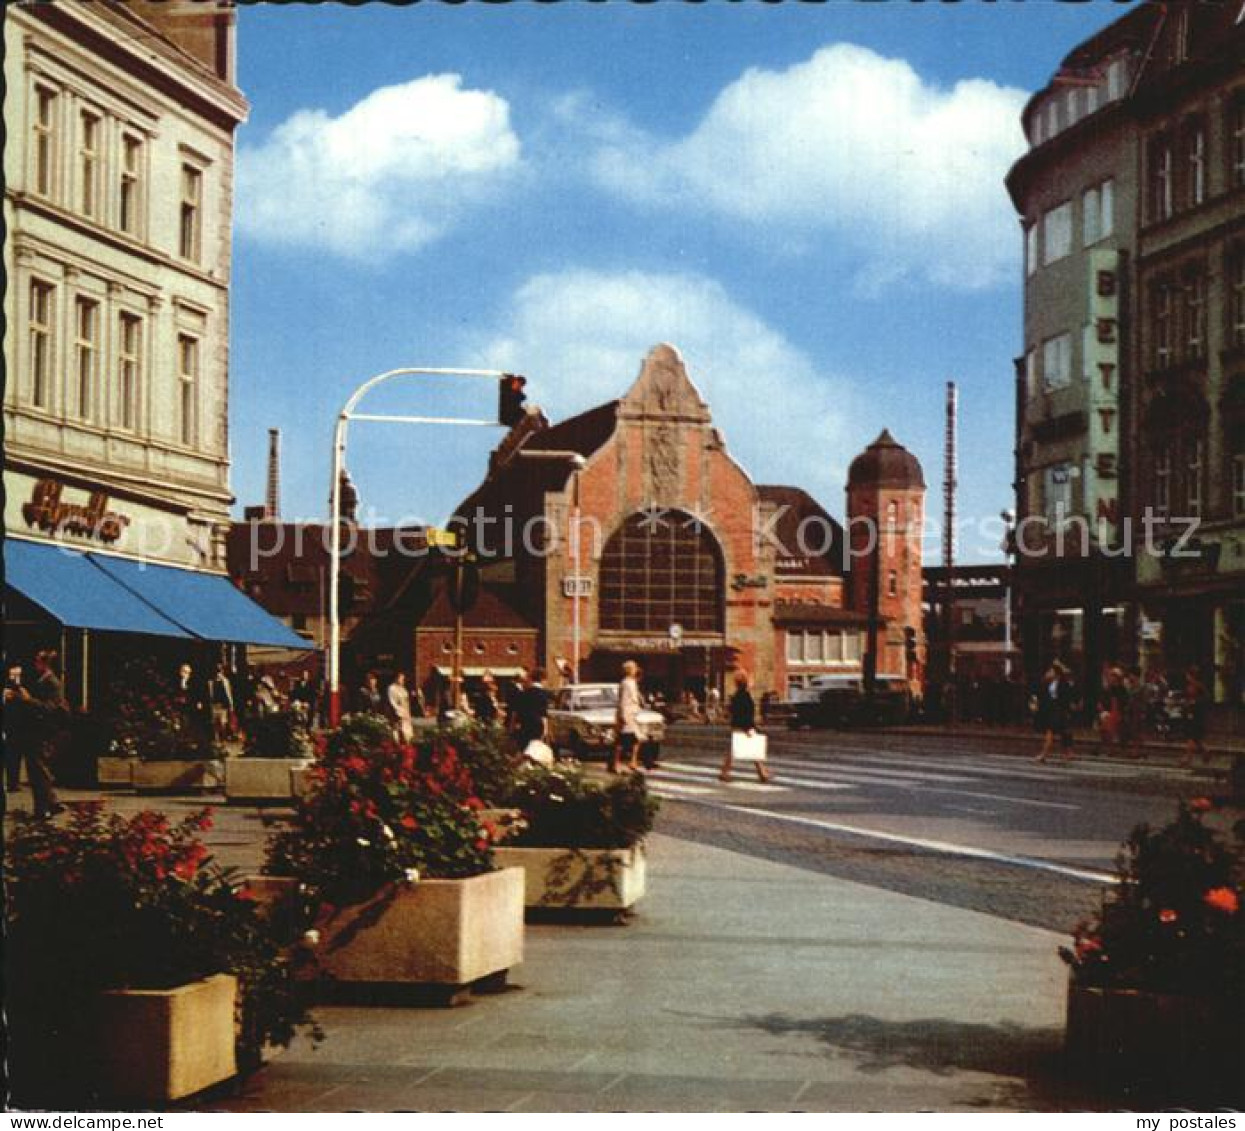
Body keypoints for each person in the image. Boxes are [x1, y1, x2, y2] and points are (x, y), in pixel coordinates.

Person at [27, 650, 66, 819]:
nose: (35, 664)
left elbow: (49, 708)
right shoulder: (42, 681)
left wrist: (28, 700)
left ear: (44, 664)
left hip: (46, 731)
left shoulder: (52, 683)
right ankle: (49, 803)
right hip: (38, 730)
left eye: (37, 661)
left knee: (39, 768)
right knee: (37, 767)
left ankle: (45, 807)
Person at [720, 670, 771, 784]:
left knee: (738, 749)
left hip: (738, 725)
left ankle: (761, 772)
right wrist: (749, 728)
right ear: (746, 682)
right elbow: (746, 713)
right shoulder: (745, 696)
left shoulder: (737, 695)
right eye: (750, 680)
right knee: (752, 749)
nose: (752, 682)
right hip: (744, 726)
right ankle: (762, 773)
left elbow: (733, 711)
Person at [1036, 661, 1076, 764]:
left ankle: (1044, 755)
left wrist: (1067, 709)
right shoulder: (1050, 683)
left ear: (1056, 672)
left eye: (1051, 671)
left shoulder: (1063, 683)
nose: (1049, 672)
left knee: (1051, 732)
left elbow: (1067, 697)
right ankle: (1068, 753)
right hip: (1052, 709)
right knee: (1063, 732)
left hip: (1059, 710)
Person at [4, 662, 33, 792]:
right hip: (11, 725)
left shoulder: (23, 688)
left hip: (23, 725)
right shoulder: (8, 688)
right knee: (12, 755)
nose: (14, 677)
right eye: (12, 675)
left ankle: (14, 781)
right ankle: (12, 782)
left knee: (18, 754)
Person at [612, 660, 643, 774]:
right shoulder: (626, 683)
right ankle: (616, 763)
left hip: (632, 715)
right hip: (626, 716)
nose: (636, 670)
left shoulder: (632, 682)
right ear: (630, 670)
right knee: (621, 741)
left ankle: (632, 762)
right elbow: (624, 701)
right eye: (634, 668)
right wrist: (623, 717)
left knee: (637, 739)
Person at [512, 666, 550, 755]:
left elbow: (515, 713)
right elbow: (543, 714)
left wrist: (512, 727)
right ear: (543, 679)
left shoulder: (522, 693)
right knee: (535, 752)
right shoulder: (543, 694)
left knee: (524, 750)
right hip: (537, 726)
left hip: (524, 725)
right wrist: (545, 730)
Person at [1181, 666, 1209, 768]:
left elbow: (1204, 699)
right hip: (1191, 714)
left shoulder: (1198, 686)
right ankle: (1206, 752)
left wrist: (1194, 703)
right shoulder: (1190, 686)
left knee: (1191, 737)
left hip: (1196, 715)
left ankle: (1187, 758)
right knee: (1197, 738)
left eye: (1188, 675)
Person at [208, 663, 236, 741]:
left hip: (223, 705)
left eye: (220, 671)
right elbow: (210, 694)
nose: (218, 673)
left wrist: (231, 704)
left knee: (222, 722)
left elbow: (228, 693)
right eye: (217, 671)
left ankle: (223, 738)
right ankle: (217, 738)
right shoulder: (211, 682)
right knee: (215, 723)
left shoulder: (225, 681)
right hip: (214, 705)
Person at [387, 671, 415, 743]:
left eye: (403, 679)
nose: (403, 680)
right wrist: (398, 712)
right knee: (397, 734)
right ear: (396, 678)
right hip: (398, 715)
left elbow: (406, 701)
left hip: (406, 715)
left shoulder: (403, 689)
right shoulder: (392, 688)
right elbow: (392, 702)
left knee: (407, 735)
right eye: (401, 679)